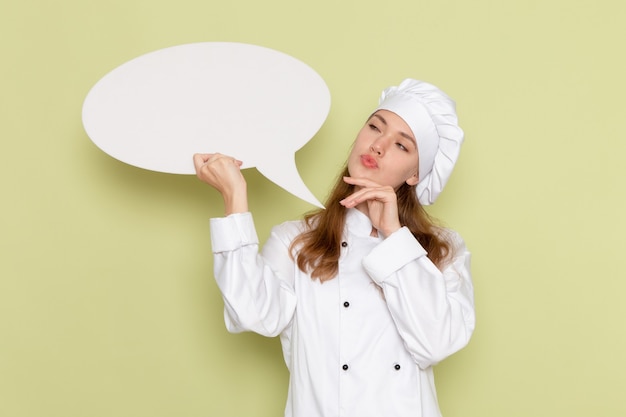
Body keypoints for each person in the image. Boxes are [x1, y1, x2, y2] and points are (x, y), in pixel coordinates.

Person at [193, 79, 475, 417]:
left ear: (416, 174)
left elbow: (437, 342)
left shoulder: (443, 249)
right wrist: (234, 198)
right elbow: (254, 314)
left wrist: (393, 234)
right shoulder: (295, 240)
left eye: (402, 145)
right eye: (375, 127)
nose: (379, 146)